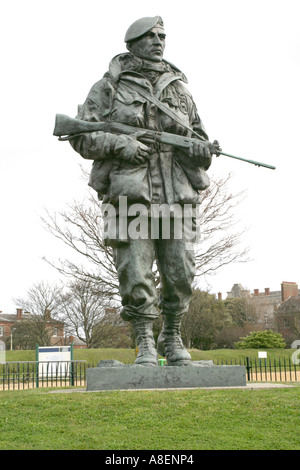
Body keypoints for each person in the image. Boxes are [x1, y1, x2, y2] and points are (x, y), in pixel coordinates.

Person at [69, 16, 212, 366]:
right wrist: (121, 146)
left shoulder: (180, 89)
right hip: (129, 195)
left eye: (162, 35)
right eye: (150, 36)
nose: (159, 41)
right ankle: (145, 340)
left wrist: (200, 150)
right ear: (132, 44)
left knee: (181, 272)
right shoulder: (108, 87)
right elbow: (80, 135)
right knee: (134, 271)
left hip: (177, 194)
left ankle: (171, 334)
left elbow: (200, 139)